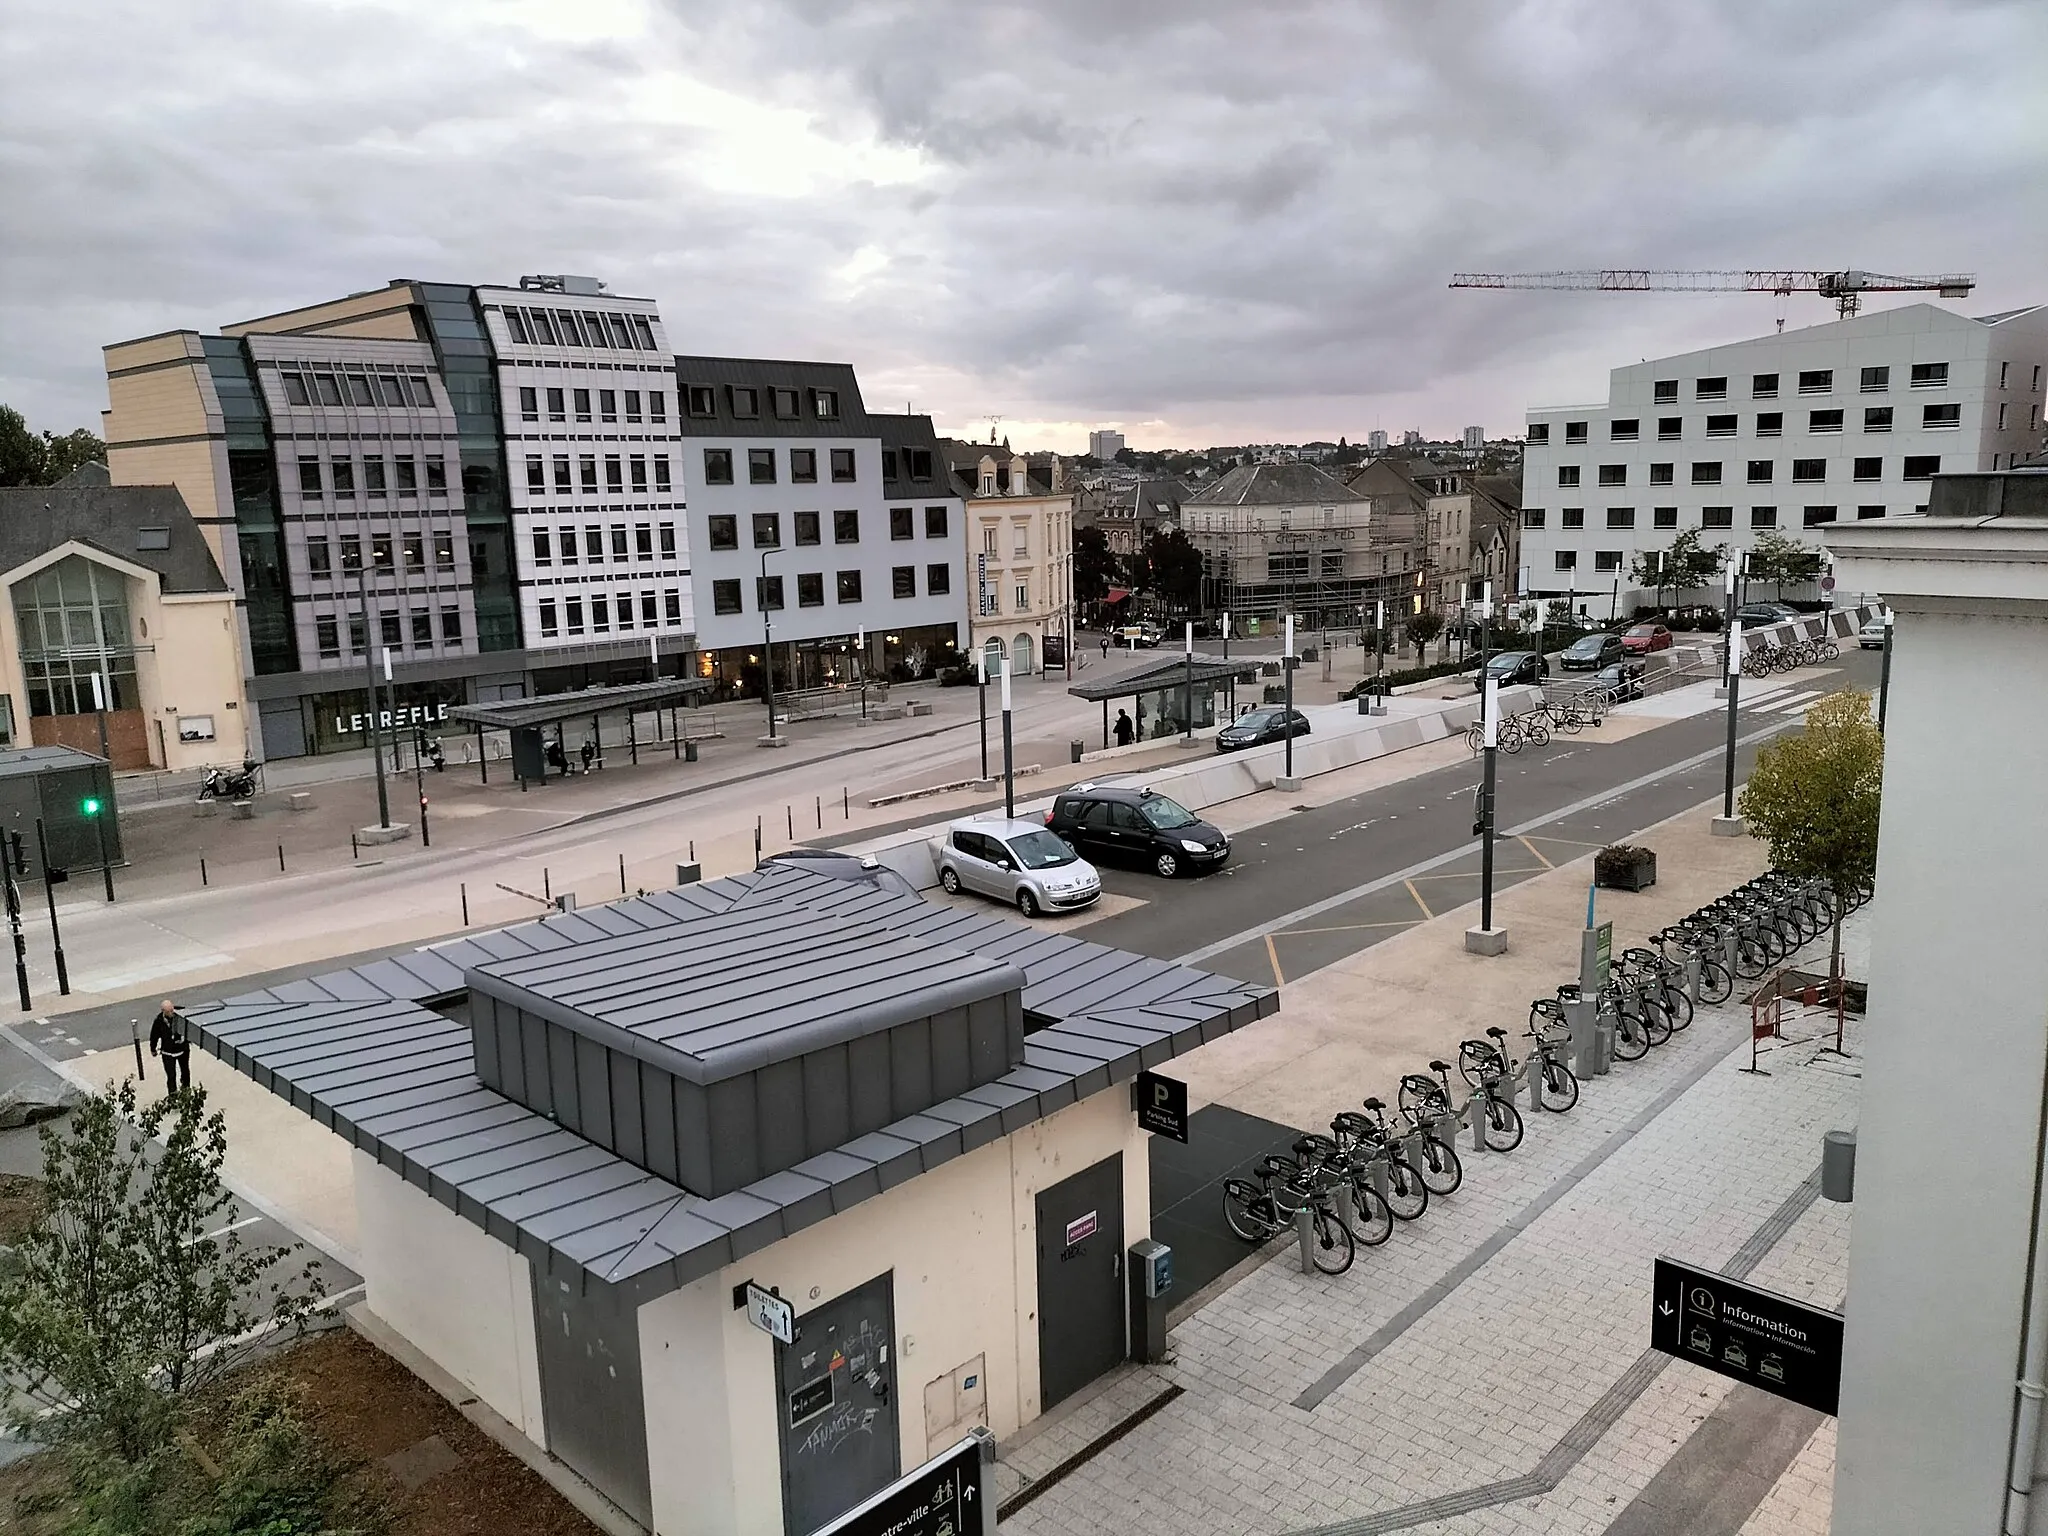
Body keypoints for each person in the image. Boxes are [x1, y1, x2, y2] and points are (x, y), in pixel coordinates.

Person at [150, 998, 191, 1096]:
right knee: (171, 1075)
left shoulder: (181, 1014)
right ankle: (173, 1096)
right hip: (168, 1052)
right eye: (169, 1012)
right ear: (163, 1011)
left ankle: (186, 1092)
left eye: (172, 1010)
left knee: (185, 1071)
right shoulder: (159, 1021)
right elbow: (154, 1036)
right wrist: (153, 1049)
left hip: (182, 1049)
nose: (172, 1013)